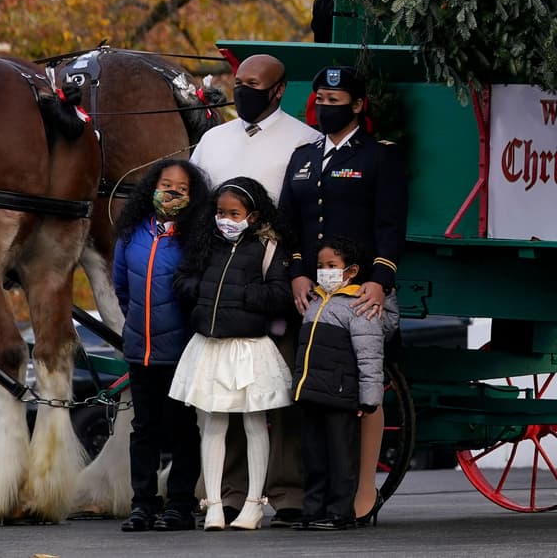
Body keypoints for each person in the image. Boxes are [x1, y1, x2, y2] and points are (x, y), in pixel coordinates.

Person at [190, 52, 320, 527]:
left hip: (273, 279)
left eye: (254, 84)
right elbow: (198, 213)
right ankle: (221, 495)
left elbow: (308, 215)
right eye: (238, 81)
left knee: (277, 393)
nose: (243, 90)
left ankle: (286, 493)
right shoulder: (212, 139)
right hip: (220, 283)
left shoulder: (306, 141)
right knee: (219, 399)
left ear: (279, 89)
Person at [279, 65, 407, 525]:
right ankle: (312, 498)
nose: (325, 108)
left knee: (361, 388)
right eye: (320, 100)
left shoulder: (380, 157)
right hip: (313, 294)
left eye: (335, 101)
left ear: (358, 105)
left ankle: (361, 490)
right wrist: (295, 271)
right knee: (315, 392)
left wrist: (380, 278)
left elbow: (391, 227)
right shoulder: (302, 157)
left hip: (360, 292)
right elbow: (289, 223)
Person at [169, 178, 294, 531]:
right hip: (209, 344)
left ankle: (254, 504)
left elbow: (280, 293)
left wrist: (241, 297)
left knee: (255, 423)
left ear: (252, 216)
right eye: (221, 212)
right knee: (212, 423)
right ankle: (214, 504)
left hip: (249, 347)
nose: (225, 219)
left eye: (234, 213)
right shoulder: (206, 244)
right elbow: (182, 280)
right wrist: (203, 294)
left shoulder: (268, 247)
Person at [112, 159, 208, 532]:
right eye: (165, 184)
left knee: (182, 427)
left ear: (192, 195)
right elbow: (121, 288)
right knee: (144, 429)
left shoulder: (196, 237)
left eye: (181, 189)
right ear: (152, 186)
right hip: (140, 349)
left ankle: (181, 505)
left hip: (181, 351)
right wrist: (137, 322)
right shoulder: (132, 232)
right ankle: (143, 504)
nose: (170, 193)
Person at [290, 235, 384, 530]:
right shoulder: (315, 302)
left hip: (340, 395)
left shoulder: (358, 307)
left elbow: (370, 357)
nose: (324, 271)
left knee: (342, 457)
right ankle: (313, 510)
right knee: (313, 457)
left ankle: (340, 512)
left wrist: (369, 399)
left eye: (332, 265)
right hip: (312, 393)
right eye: (320, 266)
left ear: (351, 271)